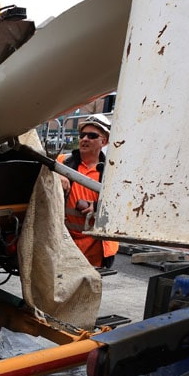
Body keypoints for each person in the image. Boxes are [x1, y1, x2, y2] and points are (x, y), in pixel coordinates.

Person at [58, 114, 118, 269]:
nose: (85, 139)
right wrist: (55, 175)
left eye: (92, 136)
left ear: (104, 141)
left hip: (95, 247)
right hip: (65, 242)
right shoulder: (62, 162)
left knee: (89, 284)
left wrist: (97, 207)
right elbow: (40, 174)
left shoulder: (113, 171)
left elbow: (123, 203)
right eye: (82, 135)